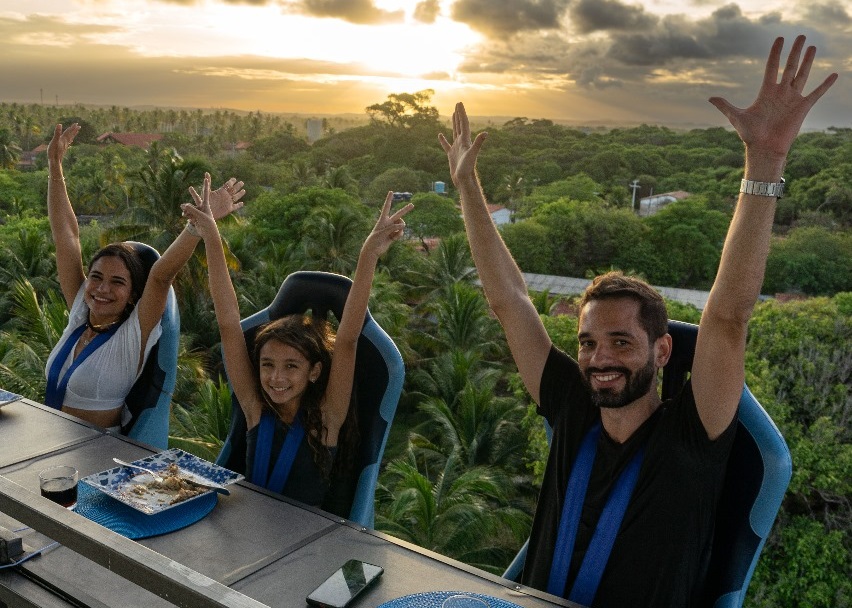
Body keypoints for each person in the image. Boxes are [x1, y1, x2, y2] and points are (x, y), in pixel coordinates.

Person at [439, 36, 836, 606]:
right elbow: (510, 300)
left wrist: (766, 160)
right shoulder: (572, 406)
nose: (600, 358)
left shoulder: (693, 437)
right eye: (589, 343)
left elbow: (726, 318)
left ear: (664, 351)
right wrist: (467, 187)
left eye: (621, 342)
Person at [183, 177, 412, 507]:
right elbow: (228, 325)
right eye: (267, 365)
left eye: (291, 366)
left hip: (302, 545)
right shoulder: (255, 410)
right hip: (246, 532)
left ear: (315, 371)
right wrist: (210, 236)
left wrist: (369, 254)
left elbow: (346, 340)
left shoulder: (327, 420)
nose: (276, 377)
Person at [44, 123, 246, 431]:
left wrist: (197, 226)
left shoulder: (132, 336)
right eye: (96, 277)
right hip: (48, 444)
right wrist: (54, 166)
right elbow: (66, 236)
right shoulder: (80, 312)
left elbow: (161, 276)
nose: (102, 288)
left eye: (118, 282)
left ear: (134, 295)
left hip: (94, 457)